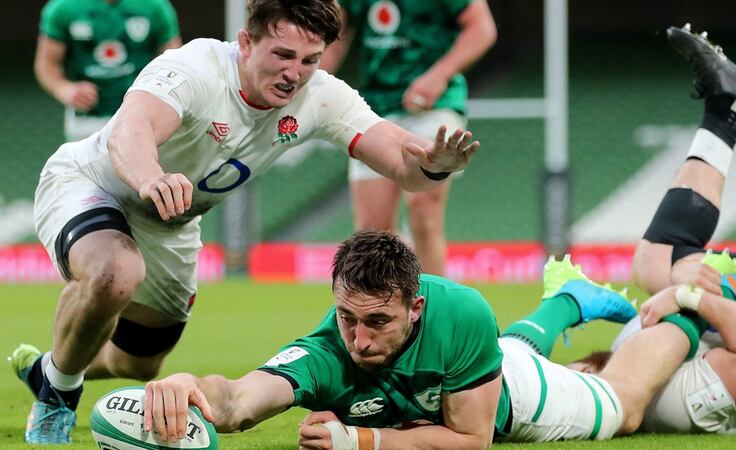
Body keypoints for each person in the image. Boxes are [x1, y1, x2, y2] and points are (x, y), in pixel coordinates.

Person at [10, 0, 482, 444]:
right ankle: (56, 399)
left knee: (140, 364)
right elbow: (131, 130)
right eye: (282, 54)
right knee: (116, 271)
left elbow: (402, 161)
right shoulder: (194, 68)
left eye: (309, 60)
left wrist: (435, 164)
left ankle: (50, 369)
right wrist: (151, 176)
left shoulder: (320, 96)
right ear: (245, 42)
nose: (294, 73)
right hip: (95, 183)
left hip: (171, 223)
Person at [142, 230, 736, 448]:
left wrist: (361, 440)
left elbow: (472, 439)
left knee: (623, 405)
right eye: (346, 318)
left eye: (377, 323)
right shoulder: (328, 348)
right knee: (502, 351)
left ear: (415, 306)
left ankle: (693, 303)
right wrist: (188, 386)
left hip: (516, 403)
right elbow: (241, 399)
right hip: (484, 366)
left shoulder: (460, 310)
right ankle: (570, 298)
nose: (356, 339)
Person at [568, 25, 736, 435]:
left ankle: (727, 106)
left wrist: (684, 282)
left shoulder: (636, 356)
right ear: (587, 372)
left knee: (656, 263)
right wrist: (686, 292)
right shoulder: (664, 402)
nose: (552, 380)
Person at [319, 0, 497, 275]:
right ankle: (387, 308)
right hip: (375, 109)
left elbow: (482, 28)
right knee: (372, 232)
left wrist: (438, 76)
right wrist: (308, 82)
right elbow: (334, 40)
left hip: (434, 105)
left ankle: (433, 312)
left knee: (423, 210)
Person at [35, 0, 182, 142]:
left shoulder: (155, 5)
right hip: (87, 117)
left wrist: (156, 93)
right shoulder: (63, 7)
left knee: (140, 166)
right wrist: (65, 89)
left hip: (141, 113)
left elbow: (174, 62)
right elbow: (47, 65)